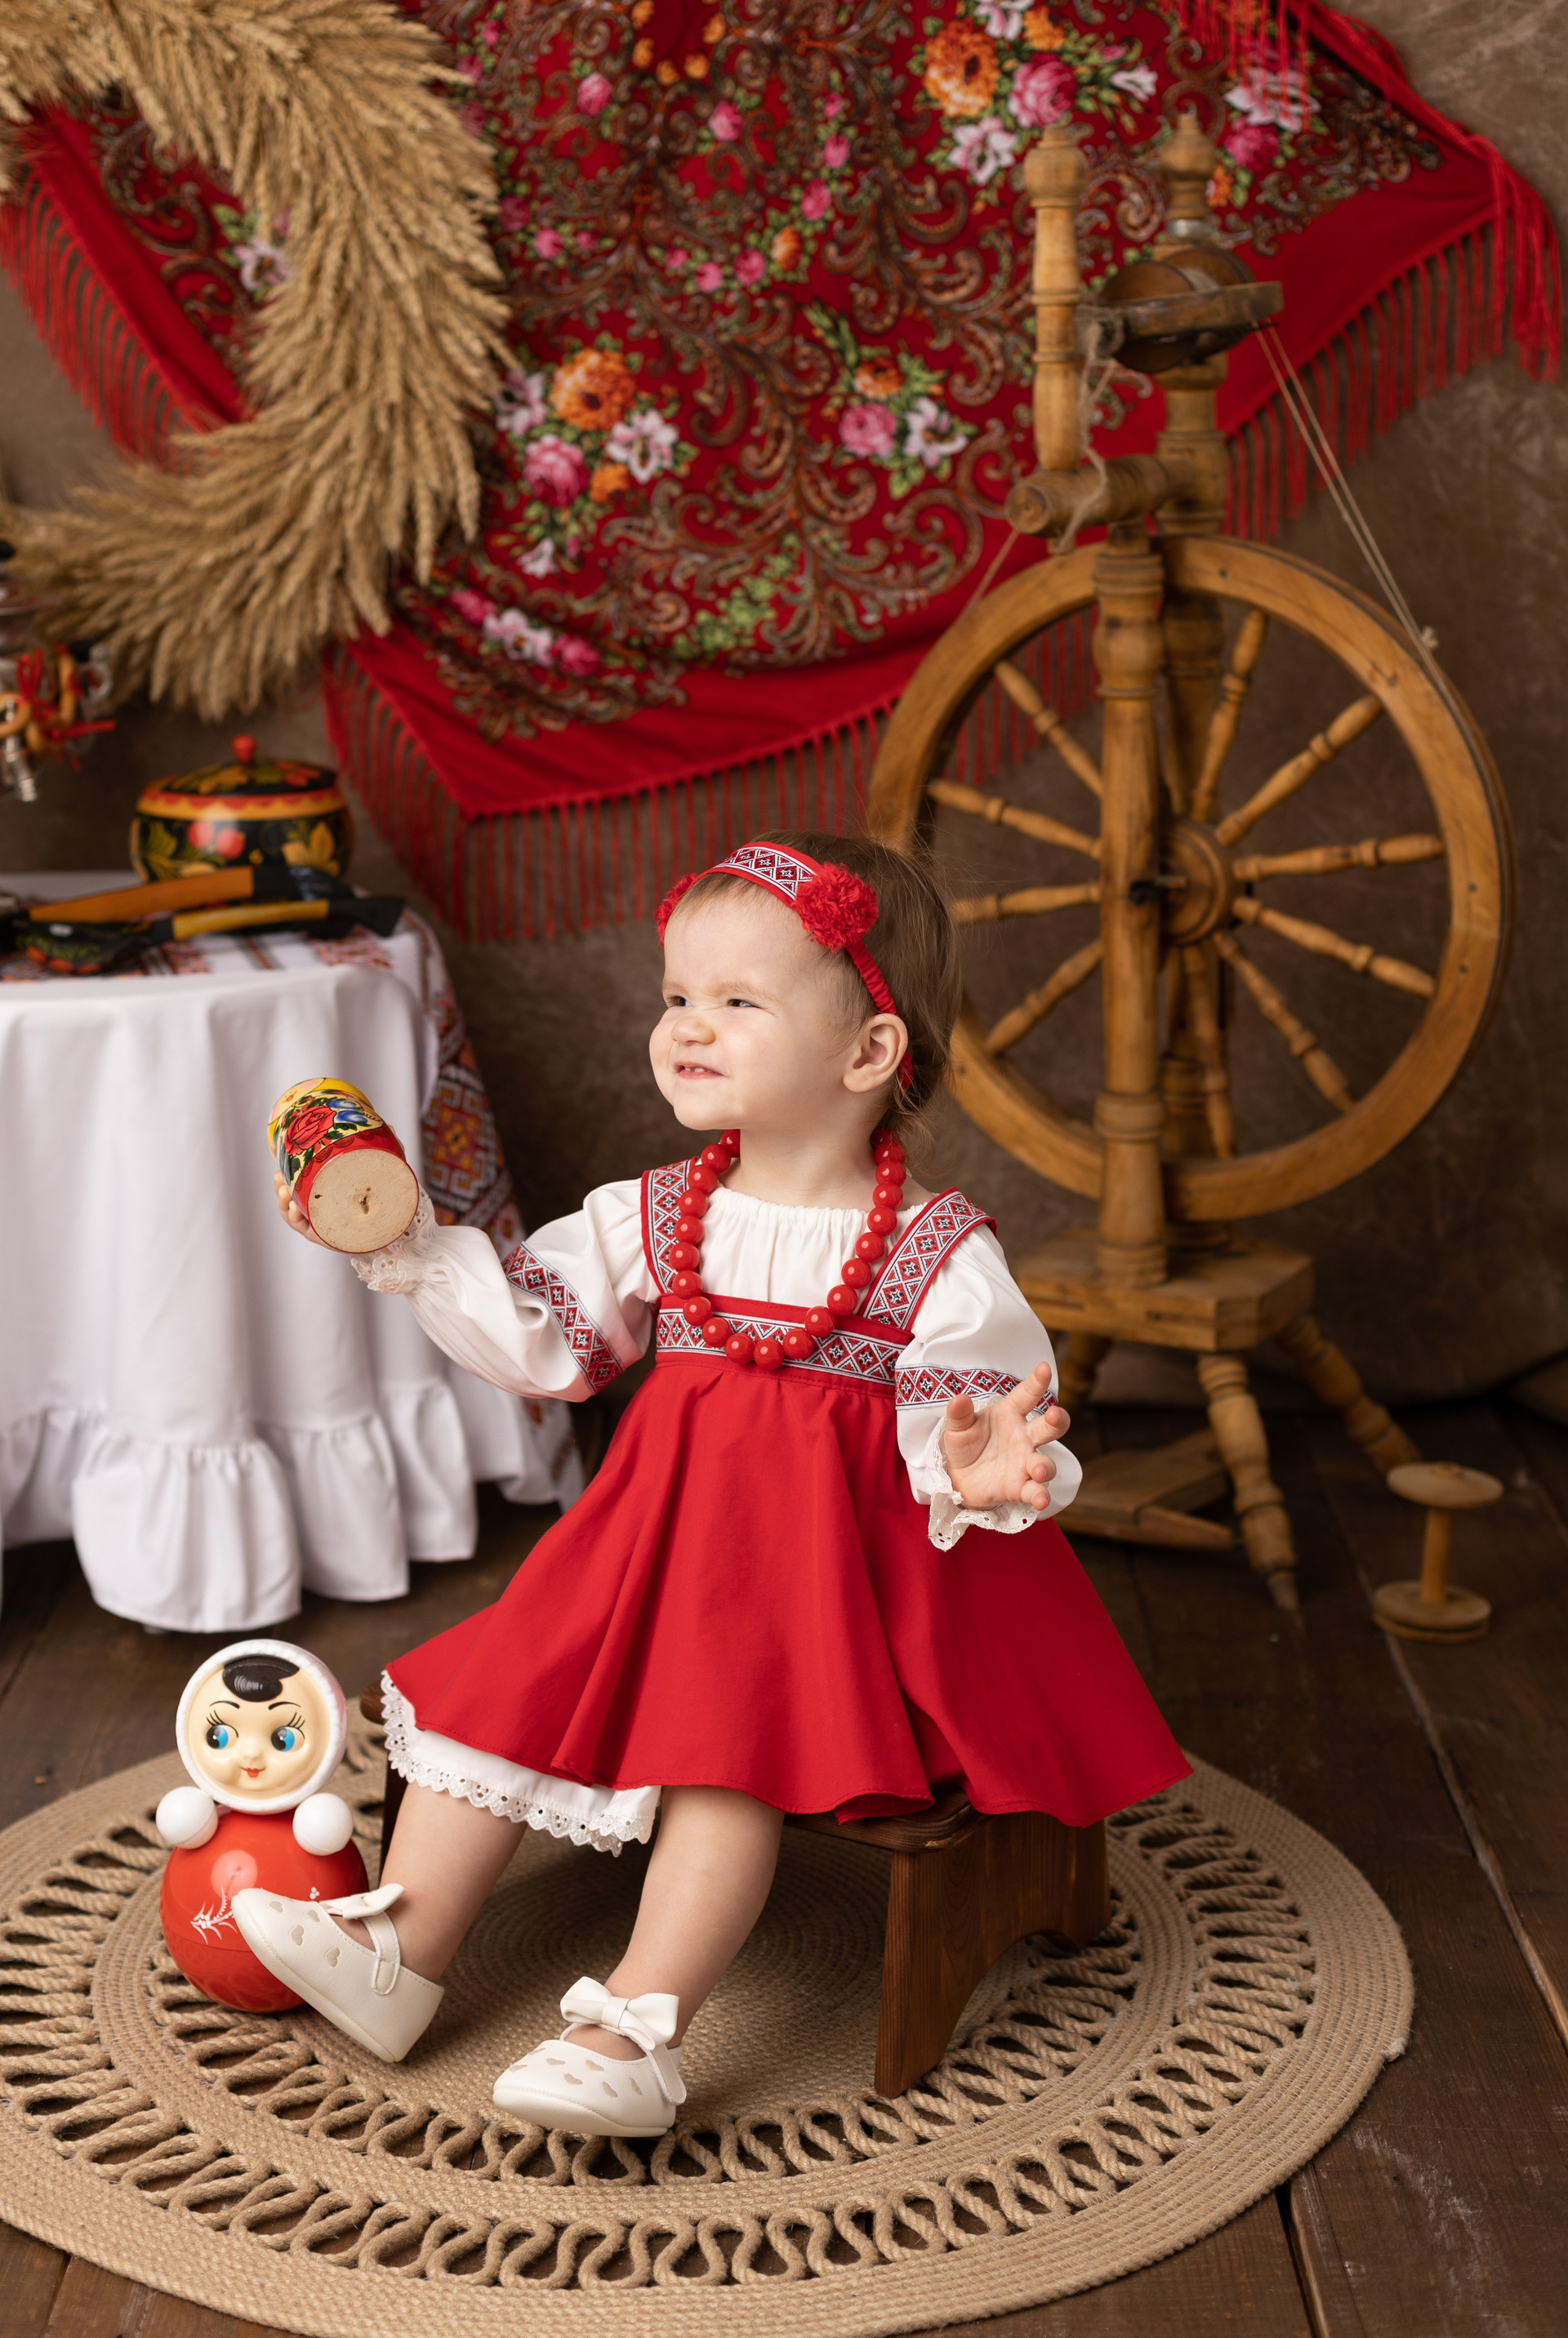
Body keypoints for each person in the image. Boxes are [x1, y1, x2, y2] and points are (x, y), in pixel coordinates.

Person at [237, 833, 1187, 2128]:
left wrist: (978, 1462)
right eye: (677, 995)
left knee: (726, 1760)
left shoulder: (932, 1251)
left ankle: (636, 2027)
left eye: (738, 1002)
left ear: (870, 1052)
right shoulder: (658, 1212)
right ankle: (400, 1950)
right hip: (649, 1551)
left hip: (820, 1595)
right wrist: (410, 1246)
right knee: (499, 1681)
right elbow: (545, 1341)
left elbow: (978, 1412)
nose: (687, 1026)